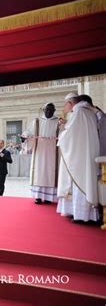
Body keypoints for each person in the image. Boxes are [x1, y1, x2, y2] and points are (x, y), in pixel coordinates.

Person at [57, 93, 100, 222]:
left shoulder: (78, 112)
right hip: (87, 152)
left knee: (78, 180)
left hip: (79, 156)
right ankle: (82, 213)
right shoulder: (89, 112)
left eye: (65, 104)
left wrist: (61, 135)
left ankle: (81, 215)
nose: (65, 107)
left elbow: (69, 135)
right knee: (86, 180)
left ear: (70, 103)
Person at [22, 103, 60, 204]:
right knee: (39, 172)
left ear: (54, 111)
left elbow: (64, 135)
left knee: (50, 172)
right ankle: (38, 196)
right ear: (43, 110)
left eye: (51, 110)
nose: (49, 112)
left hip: (53, 153)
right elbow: (29, 132)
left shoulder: (58, 122)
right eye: (47, 110)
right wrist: (25, 137)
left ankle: (49, 197)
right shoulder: (37, 122)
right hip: (39, 152)